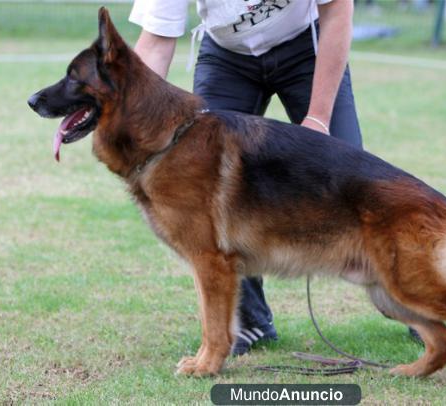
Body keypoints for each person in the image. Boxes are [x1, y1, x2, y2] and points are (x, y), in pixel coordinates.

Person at [129, 0, 418, 355]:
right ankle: (250, 322)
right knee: (209, 191)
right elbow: (156, 43)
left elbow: (338, 10)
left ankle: (414, 299)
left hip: (306, 47)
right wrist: (129, 121)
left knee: (353, 179)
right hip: (227, 56)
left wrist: (318, 118)